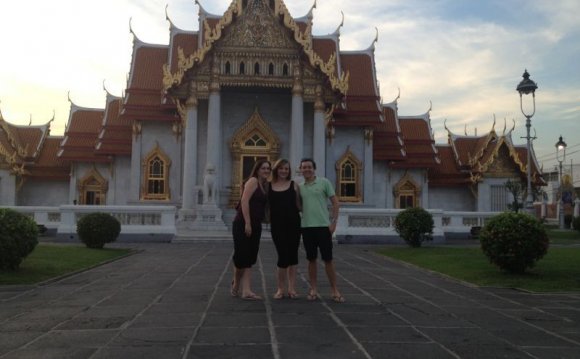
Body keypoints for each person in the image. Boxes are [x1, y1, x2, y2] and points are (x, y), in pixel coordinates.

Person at [299, 158, 344, 303]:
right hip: (307, 227)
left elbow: (335, 203)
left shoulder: (324, 182)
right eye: (304, 167)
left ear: (314, 169)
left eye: (309, 167)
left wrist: (334, 223)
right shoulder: (300, 187)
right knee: (311, 259)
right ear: (300, 169)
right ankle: (313, 288)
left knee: (328, 259)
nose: (307, 169)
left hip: (323, 227)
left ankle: (334, 289)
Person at [231, 159, 271, 301]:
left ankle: (241, 286)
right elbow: (244, 200)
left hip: (256, 224)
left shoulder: (264, 185)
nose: (266, 170)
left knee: (249, 257)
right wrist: (247, 223)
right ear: (257, 169)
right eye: (263, 168)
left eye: (268, 168)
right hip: (243, 223)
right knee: (243, 256)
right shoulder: (253, 181)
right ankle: (241, 286)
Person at [268, 159, 301, 299]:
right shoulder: (269, 185)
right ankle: (280, 288)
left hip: (293, 223)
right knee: (283, 257)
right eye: (281, 168)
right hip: (277, 225)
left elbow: (300, 205)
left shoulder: (294, 185)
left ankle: (292, 288)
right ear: (276, 169)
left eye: (286, 169)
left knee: (293, 256)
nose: (283, 171)